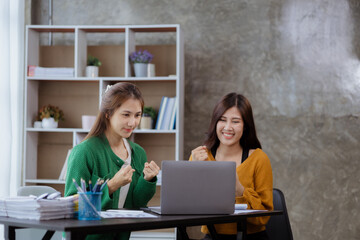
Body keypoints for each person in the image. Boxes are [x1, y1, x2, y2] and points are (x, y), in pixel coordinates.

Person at [65, 82, 160, 240]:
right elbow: (73, 207)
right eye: (126, 115)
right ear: (108, 114)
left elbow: (135, 205)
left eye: (137, 115)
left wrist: (147, 180)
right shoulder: (84, 152)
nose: (132, 123)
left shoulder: (138, 153)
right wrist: (111, 185)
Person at [190, 93, 273, 240]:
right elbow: (187, 207)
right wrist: (193, 172)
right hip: (212, 235)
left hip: (251, 237)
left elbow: (263, 217)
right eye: (222, 120)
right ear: (215, 122)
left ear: (245, 126)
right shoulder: (200, 156)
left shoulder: (259, 158)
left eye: (235, 121)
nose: (228, 127)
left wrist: (239, 189)